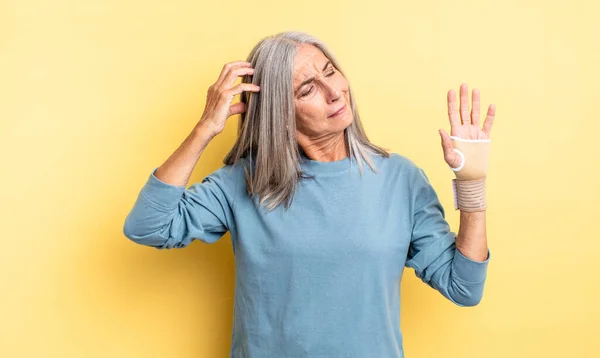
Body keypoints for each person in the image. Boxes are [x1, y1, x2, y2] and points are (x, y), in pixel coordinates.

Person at [123, 31, 495, 358]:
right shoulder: (244, 182)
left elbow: (463, 287)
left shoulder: (400, 179)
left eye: (330, 71)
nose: (335, 92)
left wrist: (471, 184)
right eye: (308, 89)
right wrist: (205, 128)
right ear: (280, 112)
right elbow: (148, 226)